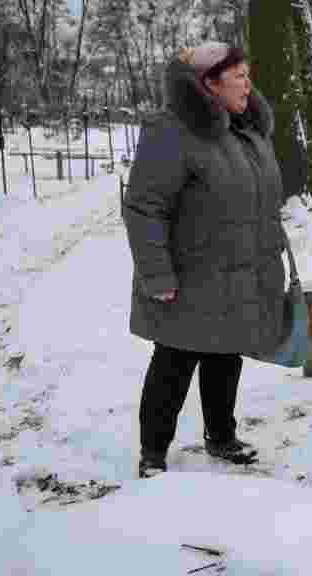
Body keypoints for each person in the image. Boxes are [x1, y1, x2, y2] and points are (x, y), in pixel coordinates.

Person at [123, 42, 295, 478]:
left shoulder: (247, 131)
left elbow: (262, 203)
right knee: (174, 362)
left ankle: (221, 436)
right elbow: (145, 207)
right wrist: (155, 272)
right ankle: (153, 453)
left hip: (239, 273)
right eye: (237, 75)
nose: (247, 82)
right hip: (189, 276)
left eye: (246, 73)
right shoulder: (172, 131)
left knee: (225, 356)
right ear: (208, 84)